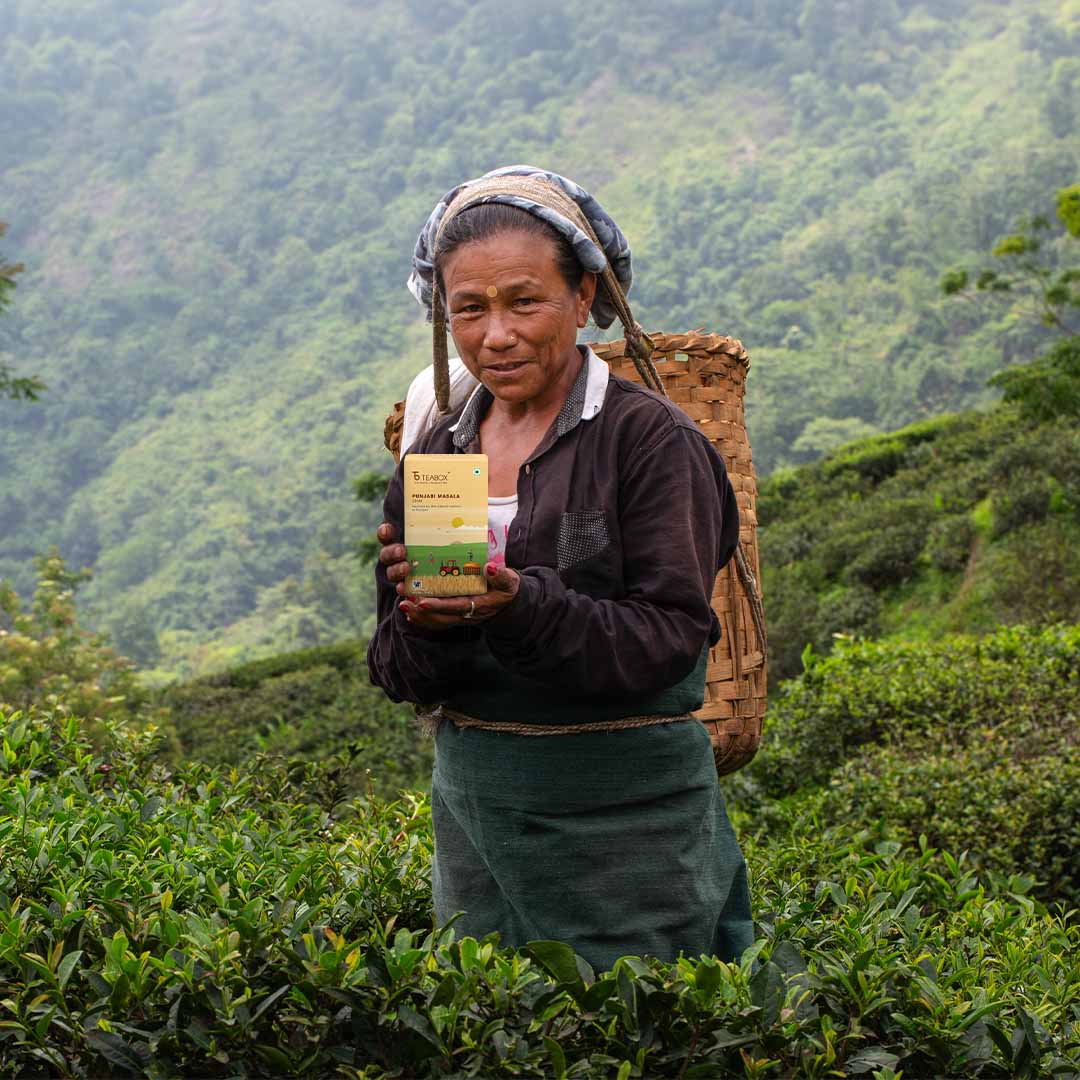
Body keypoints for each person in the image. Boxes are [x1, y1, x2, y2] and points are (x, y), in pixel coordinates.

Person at [367, 166, 752, 972]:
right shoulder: (438, 451)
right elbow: (399, 673)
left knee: (645, 1026)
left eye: (524, 300)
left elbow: (670, 638)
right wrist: (422, 623)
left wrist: (515, 608)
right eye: (468, 308)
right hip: (480, 824)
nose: (495, 334)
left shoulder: (649, 442)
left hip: (626, 829)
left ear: (583, 299)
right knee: (492, 1022)